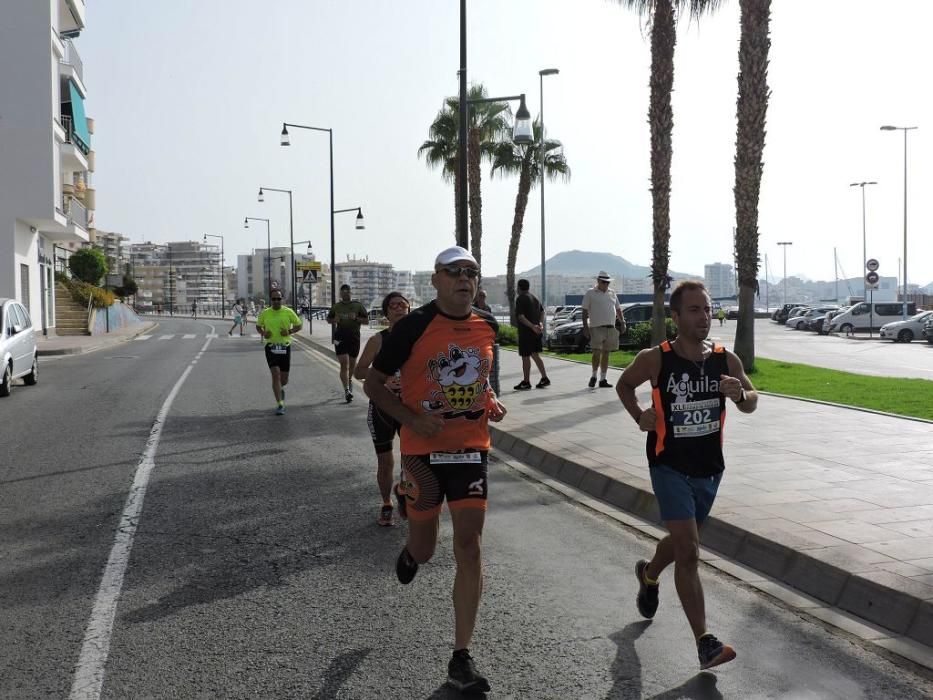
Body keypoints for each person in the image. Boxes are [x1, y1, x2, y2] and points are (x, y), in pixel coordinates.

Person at [365, 245, 506, 693]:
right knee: (426, 549)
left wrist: (489, 399)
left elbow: (479, 378)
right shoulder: (412, 327)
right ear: (436, 279)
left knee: (470, 545)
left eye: (472, 272)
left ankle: (461, 656)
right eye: (454, 272)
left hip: (470, 451)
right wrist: (411, 419)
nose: (465, 279)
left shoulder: (488, 325)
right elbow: (371, 382)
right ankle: (411, 553)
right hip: (422, 456)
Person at [616, 280, 758, 671]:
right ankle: (705, 642)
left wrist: (740, 395)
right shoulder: (655, 358)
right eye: (694, 310)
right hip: (668, 464)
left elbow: (752, 401)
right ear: (675, 316)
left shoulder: (725, 359)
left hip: (710, 469)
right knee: (691, 551)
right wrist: (639, 415)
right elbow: (624, 385)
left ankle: (648, 573)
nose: (703, 317)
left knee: (683, 543)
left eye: (707, 309)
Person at [354, 291, 411, 526]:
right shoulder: (377, 340)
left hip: (409, 407)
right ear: (387, 314)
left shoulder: (418, 339)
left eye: (403, 305)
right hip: (382, 408)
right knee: (385, 461)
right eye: (393, 306)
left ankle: (405, 491)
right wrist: (383, 379)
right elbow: (358, 372)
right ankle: (386, 502)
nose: (398, 308)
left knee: (412, 460)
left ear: (408, 310)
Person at [255, 290, 303, 415]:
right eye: (274, 299)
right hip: (271, 347)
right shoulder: (265, 313)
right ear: (271, 300)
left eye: (278, 299)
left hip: (284, 346)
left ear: (282, 299)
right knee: (275, 374)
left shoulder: (288, 312)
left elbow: (299, 325)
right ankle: (280, 404)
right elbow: (258, 326)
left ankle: (280, 388)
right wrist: (263, 333)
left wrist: (289, 332)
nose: (276, 301)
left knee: (284, 379)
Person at [582, 271, 625, 388]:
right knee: (596, 352)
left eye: (607, 282)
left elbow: (618, 309)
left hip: (610, 328)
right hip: (596, 327)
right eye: (603, 282)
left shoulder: (612, 293)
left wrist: (622, 323)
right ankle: (594, 376)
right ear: (598, 281)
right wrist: (585, 327)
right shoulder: (590, 293)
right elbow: (584, 311)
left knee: (606, 353)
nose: (606, 284)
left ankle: (603, 379)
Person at [327, 284, 369, 403]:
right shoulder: (336, 307)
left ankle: (349, 379)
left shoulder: (358, 306)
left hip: (354, 338)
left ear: (351, 293)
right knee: (344, 364)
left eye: (348, 291)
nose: (345, 293)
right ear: (340, 294)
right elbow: (328, 319)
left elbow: (367, 321)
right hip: (339, 338)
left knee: (352, 364)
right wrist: (334, 320)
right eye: (343, 292)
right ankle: (347, 390)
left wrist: (356, 318)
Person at [513, 278, 550, 390]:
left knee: (525, 357)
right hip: (536, 333)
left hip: (526, 333)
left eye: (517, 287)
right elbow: (543, 312)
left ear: (519, 287)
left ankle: (526, 381)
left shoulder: (520, 299)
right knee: (535, 355)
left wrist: (532, 327)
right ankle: (544, 378)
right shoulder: (534, 298)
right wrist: (540, 324)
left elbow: (521, 317)